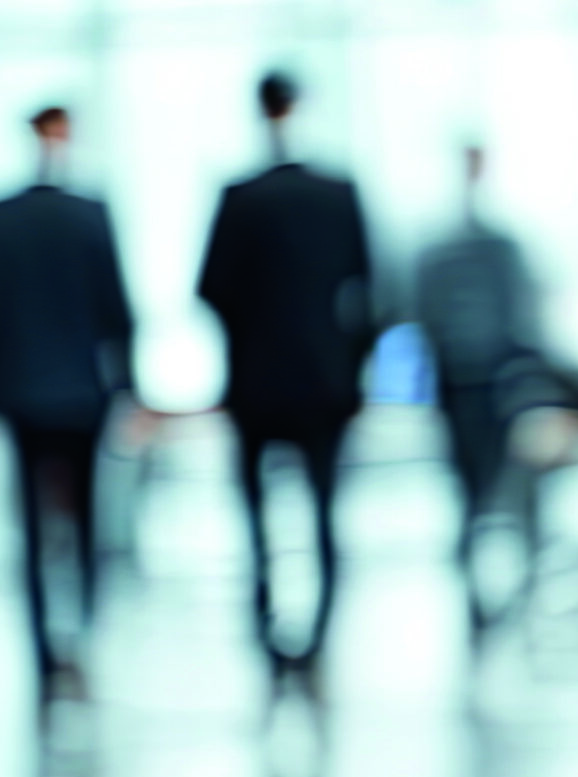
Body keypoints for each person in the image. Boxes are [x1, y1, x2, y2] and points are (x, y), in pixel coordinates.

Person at [198, 72, 377, 689]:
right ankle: (320, 628)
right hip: (323, 382)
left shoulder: (240, 197)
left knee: (261, 514)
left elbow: (211, 290)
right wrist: (351, 367)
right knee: (325, 511)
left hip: (256, 383)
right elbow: (369, 292)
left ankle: (268, 620)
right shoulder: (337, 193)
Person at [0, 106, 136, 707]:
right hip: (83, 394)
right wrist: (128, 390)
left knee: (31, 526)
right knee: (86, 518)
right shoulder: (91, 214)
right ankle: (81, 626)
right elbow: (117, 310)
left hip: (20, 394)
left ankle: (42, 643)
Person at [412, 145, 540, 640]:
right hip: (482, 379)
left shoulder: (455, 247)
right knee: (486, 487)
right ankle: (489, 587)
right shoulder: (480, 246)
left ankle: (490, 587)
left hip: (469, 378)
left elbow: (423, 313)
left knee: (478, 489)